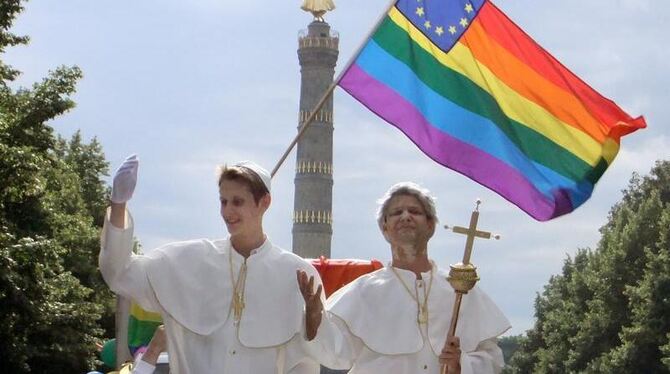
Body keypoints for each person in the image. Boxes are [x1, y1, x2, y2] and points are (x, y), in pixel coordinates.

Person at [100, 155, 323, 374]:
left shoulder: (296, 274)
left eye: (238, 202)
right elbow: (120, 272)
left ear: (264, 202)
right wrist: (118, 205)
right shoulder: (189, 261)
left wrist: (314, 326)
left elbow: (305, 362)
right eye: (223, 201)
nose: (227, 211)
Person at [298, 182, 511, 374]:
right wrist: (315, 320)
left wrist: (461, 365)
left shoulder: (461, 290)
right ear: (385, 227)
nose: (406, 216)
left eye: (415, 211)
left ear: (430, 225)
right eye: (396, 212)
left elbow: (492, 359)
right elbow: (335, 355)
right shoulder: (363, 292)